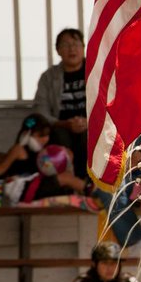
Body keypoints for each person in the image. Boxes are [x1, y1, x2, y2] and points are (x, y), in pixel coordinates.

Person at [32, 28, 88, 180]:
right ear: (58, 50)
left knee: (88, 138)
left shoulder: (95, 71)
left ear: (83, 47)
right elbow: (40, 110)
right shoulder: (48, 77)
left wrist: (88, 122)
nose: (72, 49)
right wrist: (64, 123)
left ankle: (87, 185)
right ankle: (67, 184)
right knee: (60, 137)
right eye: (66, 45)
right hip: (60, 126)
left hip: (91, 126)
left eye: (76, 44)